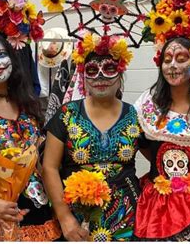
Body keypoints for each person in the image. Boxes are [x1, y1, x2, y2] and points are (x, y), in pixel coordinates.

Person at [0, 33, 61, 241]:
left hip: (37, 210)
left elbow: (40, 162)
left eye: (1, 54)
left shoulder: (27, 103)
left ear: (13, 60)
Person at [43, 33, 141, 241]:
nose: (100, 77)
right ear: (83, 75)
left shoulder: (135, 115)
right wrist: (64, 217)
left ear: (120, 73)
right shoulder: (66, 114)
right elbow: (49, 167)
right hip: (75, 220)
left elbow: (159, 158)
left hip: (127, 217)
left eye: (109, 69)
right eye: (92, 71)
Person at [133, 0, 190, 240]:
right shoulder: (147, 104)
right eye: (167, 59)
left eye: (181, 59)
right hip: (157, 203)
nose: (172, 66)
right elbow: (145, 146)